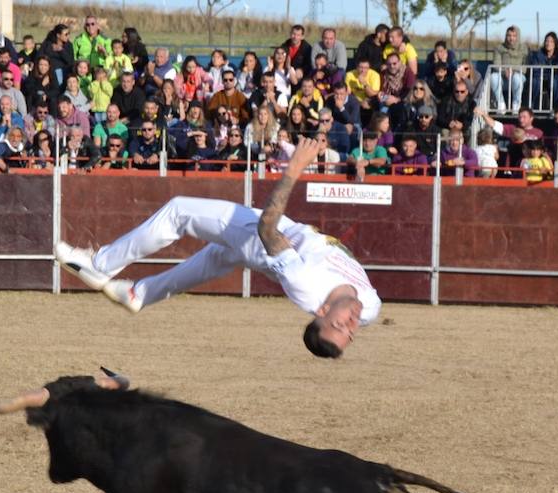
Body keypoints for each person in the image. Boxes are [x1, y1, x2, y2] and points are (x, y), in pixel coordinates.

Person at [55, 137, 380, 358]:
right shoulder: (370, 308)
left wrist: (295, 166)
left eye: (340, 325)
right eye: (349, 332)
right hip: (274, 250)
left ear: (321, 311)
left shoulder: (307, 284)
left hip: (265, 236)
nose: (352, 323)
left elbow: (267, 227)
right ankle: (140, 294)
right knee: (215, 259)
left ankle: (102, 264)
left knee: (179, 211)